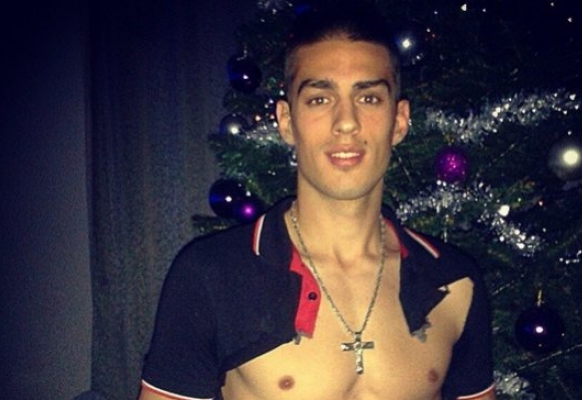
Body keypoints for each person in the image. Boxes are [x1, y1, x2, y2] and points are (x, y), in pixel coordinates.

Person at [139, 2, 496, 399]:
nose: (346, 123)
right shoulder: (212, 275)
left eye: (369, 98)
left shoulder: (454, 282)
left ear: (399, 121)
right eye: (319, 99)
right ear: (286, 121)